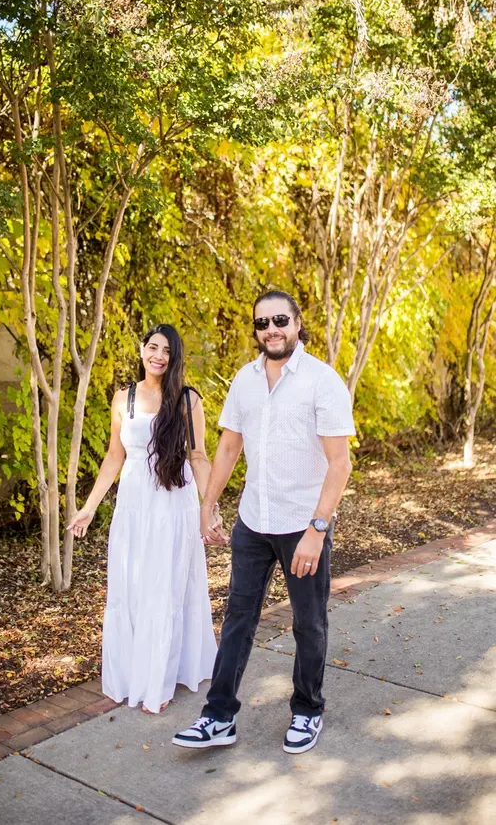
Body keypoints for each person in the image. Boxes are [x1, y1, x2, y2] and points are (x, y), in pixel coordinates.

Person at [173, 290, 355, 753]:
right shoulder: (245, 380)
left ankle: (308, 710)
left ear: (297, 323)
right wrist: (208, 504)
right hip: (253, 522)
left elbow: (340, 464)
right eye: (262, 323)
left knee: (308, 623)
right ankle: (218, 717)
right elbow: (228, 447)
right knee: (238, 619)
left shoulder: (322, 381)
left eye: (279, 320)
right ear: (255, 330)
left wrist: (317, 530)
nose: (271, 329)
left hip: (302, 525)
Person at [68, 324, 220, 714]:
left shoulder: (187, 400)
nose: (158, 356)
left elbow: (198, 456)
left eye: (167, 351)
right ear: (142, 350)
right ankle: (132, 673)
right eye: (153, 347)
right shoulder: (124, 397)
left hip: (173, 506)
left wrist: (210, 508)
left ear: (175, 357)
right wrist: (88, 506)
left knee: (166, 589)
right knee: (132, 587)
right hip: (134, 507)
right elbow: (113, 456)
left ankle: (160, 682)